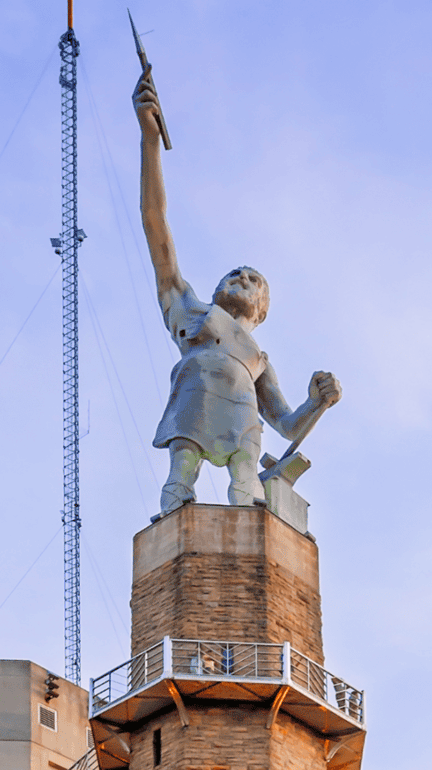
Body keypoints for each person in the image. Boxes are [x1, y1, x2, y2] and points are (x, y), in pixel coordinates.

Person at [133, 69, 342, 512]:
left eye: (254, 281)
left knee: (247, 488)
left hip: (244, 418)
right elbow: (156, 224)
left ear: (261, 310)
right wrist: (150, 140)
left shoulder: (258, 360)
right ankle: (176, 518)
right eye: (235, 274)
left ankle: (248, 508)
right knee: (180, 477)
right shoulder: (188, 307)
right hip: (194, 401)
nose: (242, 279)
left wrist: (316, 401)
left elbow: (286, 424)